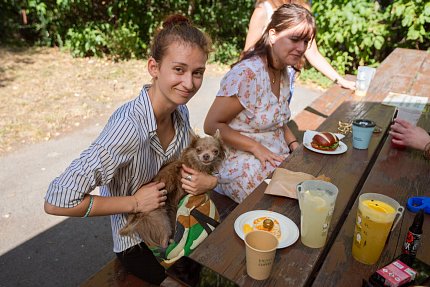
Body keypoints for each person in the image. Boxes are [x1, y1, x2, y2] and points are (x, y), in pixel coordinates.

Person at [44, 15, 217, 285]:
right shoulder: (129, 128)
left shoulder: (179, 111)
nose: (189, 83)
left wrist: (208, 180)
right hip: (136, 241)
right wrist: (134, 203)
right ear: (154, 67)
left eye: (198, 73)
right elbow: (56, 201)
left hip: (177, 219)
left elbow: (186, 165)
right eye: (179, 69)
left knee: (214, 262)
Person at [204, 4, 315, 203]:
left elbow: (278, 121)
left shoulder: (283, 71)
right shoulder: (248, 74)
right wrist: (256, 148)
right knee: (282, 202)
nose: (301, 48)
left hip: (275, 154)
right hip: (241, 161)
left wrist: (294, 144)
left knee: (314, 181)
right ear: (273, 35)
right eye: (295, 39)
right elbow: (211, 126)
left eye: (306, 41)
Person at [244, 0, 356, 95]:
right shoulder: (263, 10)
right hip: (263, 79)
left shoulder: (303, 9)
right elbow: (248, 52)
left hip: (287, 78)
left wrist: (340, 80)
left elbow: (313, 53)